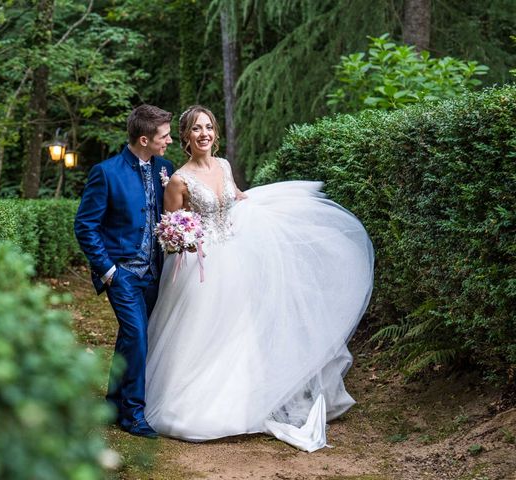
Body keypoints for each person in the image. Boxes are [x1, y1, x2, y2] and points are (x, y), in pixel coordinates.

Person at [144, 105, 374, 451]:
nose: (204, 133)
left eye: (208, 127)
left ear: (215, 134)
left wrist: (268, 211)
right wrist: (183, 238)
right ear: (186, 138)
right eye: (196, 129)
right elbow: (170, 227)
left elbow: (235, 200)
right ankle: (200, 406)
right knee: (203, 331)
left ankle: (245, 399)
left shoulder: (224, 166)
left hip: (235, 258)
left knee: (240, 329)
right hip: (201, 267)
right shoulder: (178, 180)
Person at [75, 104, 175, 438]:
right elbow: (85, 225)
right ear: (144, 139)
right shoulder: (106, 172)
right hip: (123, 274)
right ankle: (133, 414)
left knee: (131, 337)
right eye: (164, 136)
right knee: (138, 335)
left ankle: (113, 402)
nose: (170, 141)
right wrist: (108, 271)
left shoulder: (166, 168)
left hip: (155, 273)